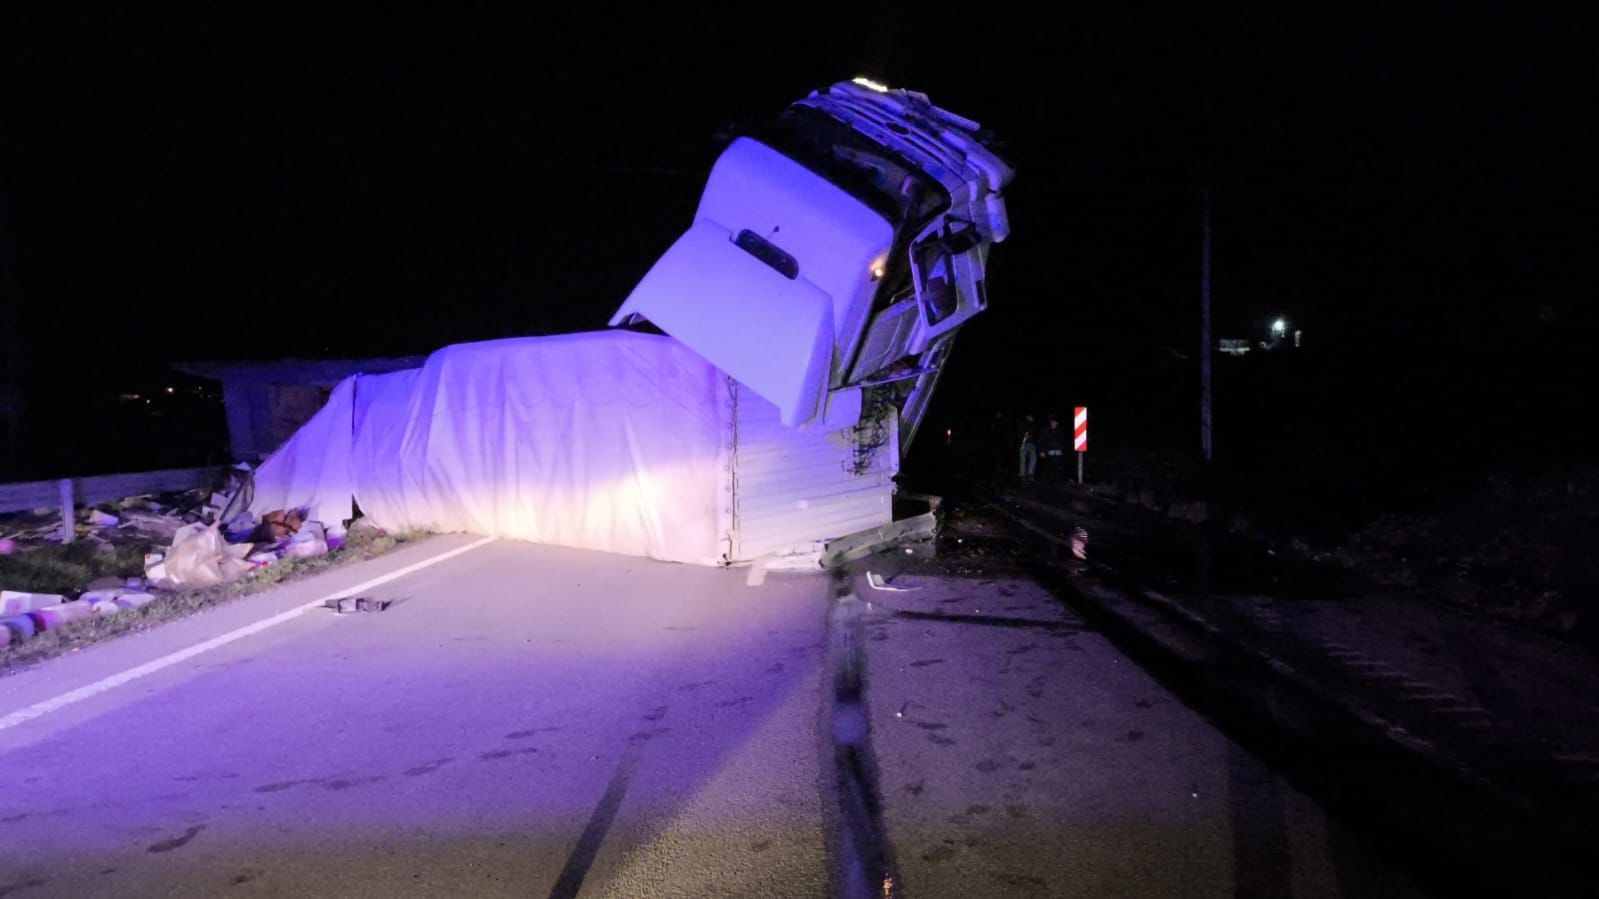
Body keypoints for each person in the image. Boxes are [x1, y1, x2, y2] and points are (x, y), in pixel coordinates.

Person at [1037, 413, 1066, 481]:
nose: (1053, 424)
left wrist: (1062, 450)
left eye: (1055, 422)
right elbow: (1041, 441)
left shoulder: (1060, 431)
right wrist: (1041, 451)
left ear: (1057, 423)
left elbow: (1063, 442)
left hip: (1058, 454)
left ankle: (1058, 482)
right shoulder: (1046, 431)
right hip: (1048, 453)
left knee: (1058, 469)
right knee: (1048, 469)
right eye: (1052, 422)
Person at [1017, 413, 1037, 480]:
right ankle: (1022, 474)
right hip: (1023, 444)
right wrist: (1022, 441)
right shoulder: (1022, 424)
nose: (1032, 418)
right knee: (1023, 459)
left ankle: (1030, 474)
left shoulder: (1033, 425)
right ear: (1027, 417)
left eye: (1032, 417)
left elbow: (1034, 434)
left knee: (1033, 458)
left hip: (1032, 444)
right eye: (1030, 416)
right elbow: (1021, 434)